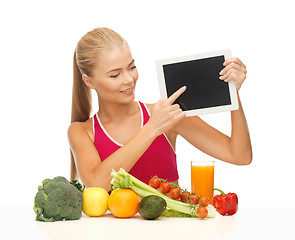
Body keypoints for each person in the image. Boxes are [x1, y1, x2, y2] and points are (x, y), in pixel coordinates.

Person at [68, 27, 252, 192]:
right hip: (113, 231)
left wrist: (232, 93)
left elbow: (239, 155)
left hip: (171, 230)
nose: (129, 79)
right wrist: (152, 128)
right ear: (89, 81)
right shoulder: (82, 132)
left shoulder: (168, 115)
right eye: (115, 75)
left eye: (131, 67)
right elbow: (97, 184)